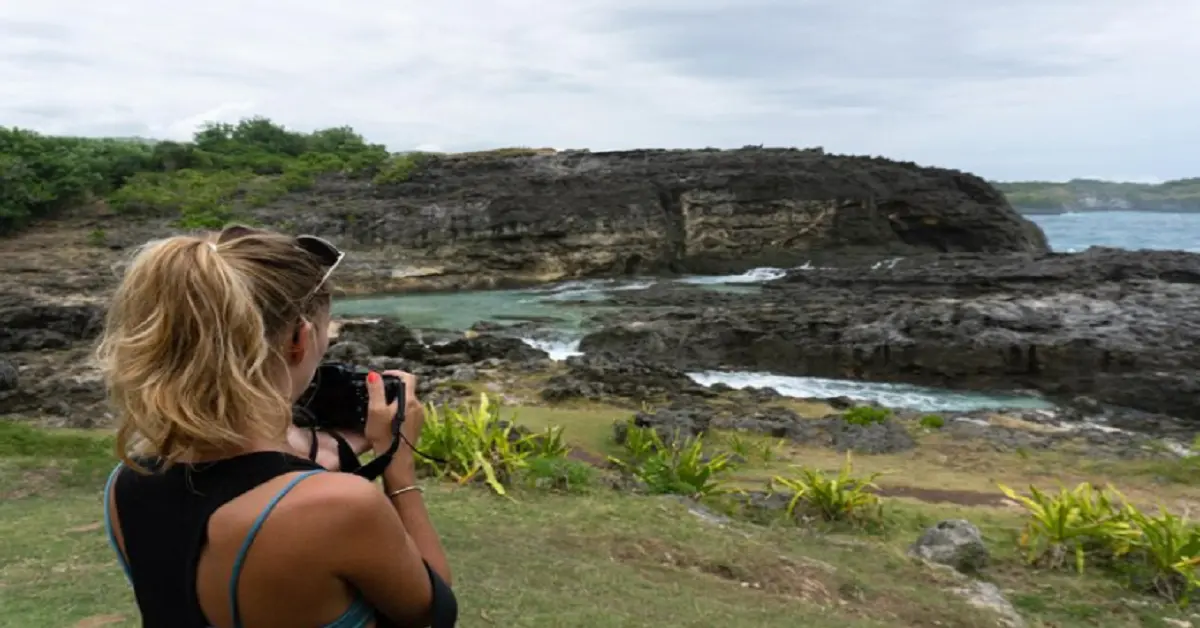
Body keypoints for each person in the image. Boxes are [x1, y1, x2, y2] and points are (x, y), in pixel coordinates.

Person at [98, 224, 457, 628]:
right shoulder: (343, 506)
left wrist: (330, 448)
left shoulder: (127, 482)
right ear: (297, 340)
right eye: (326, 332)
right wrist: (399, 468)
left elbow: (232, 483)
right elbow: (430, 611)